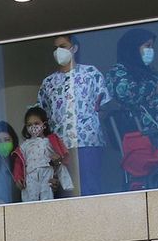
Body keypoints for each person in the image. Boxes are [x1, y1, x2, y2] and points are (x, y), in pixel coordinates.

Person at [107, 27, 158, 188]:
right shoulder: (118, 72)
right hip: (145, 145)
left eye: (152, 46)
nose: (151, 50)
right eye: (147, 46)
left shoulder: (153, 73)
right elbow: (126, 92)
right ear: (133, 47)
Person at [37, 34, 110, 195]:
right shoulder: (48, 82)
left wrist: (91, 125)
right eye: (55, 48)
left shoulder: (91, 73)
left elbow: (104, 107)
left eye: (62, 46)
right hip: (60, 146)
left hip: (88, 141)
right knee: (65, 190)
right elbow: (43, 115)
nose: (58, 51)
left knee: (90, 188)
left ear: (74, 48)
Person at [10, 106, 73, 202]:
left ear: (44, 125)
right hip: (30, 173)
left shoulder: (50, 141)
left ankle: (67, 186)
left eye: (36, 123)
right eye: (29, 125)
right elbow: (18, 163)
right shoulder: (25, 145)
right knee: (30, 196)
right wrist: (18, 177)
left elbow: (60, 156)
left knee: (46, 194)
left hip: (47, 170)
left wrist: (59, 159)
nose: (33, 127)